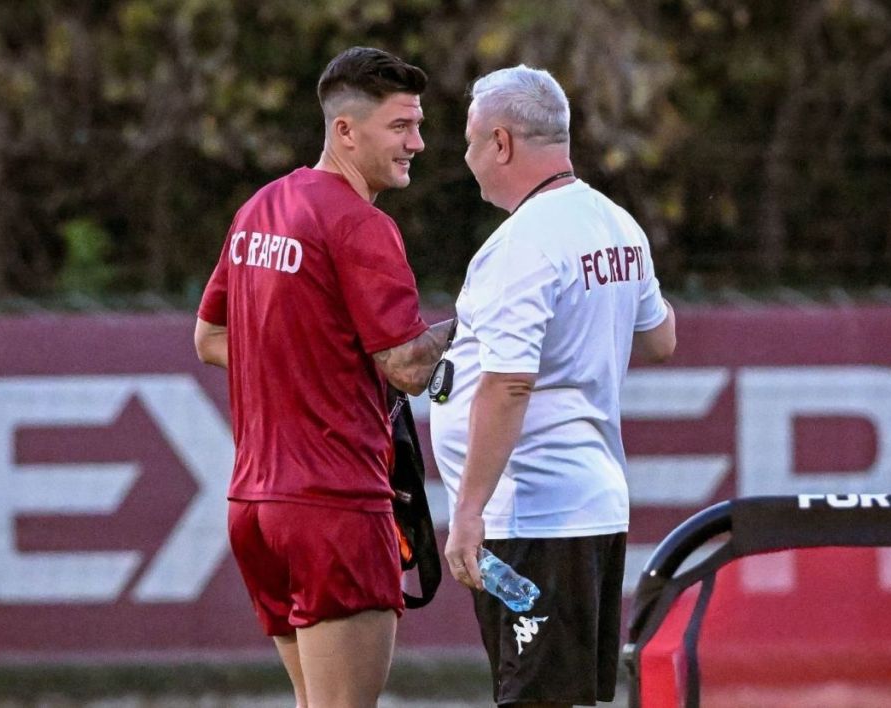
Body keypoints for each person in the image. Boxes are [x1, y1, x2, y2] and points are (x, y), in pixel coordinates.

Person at [194, 47, 452, 708]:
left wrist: (312, 363)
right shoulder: (360, 224)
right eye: (400, 127)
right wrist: (480, 320)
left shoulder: (260, 208)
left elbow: (210, 338)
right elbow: (406, 366)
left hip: (256, 510)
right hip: (335, 508)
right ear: (346, 131)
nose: (417, 143)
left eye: (417, 126)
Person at [430, 65, 676, 707]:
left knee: (535, 699)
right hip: (591, 502)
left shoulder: (522, 244)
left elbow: (508, 386)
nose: (466, 158)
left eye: (470, 141)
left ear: (501, 143)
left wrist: (467, 512)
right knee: (556, 697)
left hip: (531, 514)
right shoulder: (617, 224)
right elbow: (660, 338)